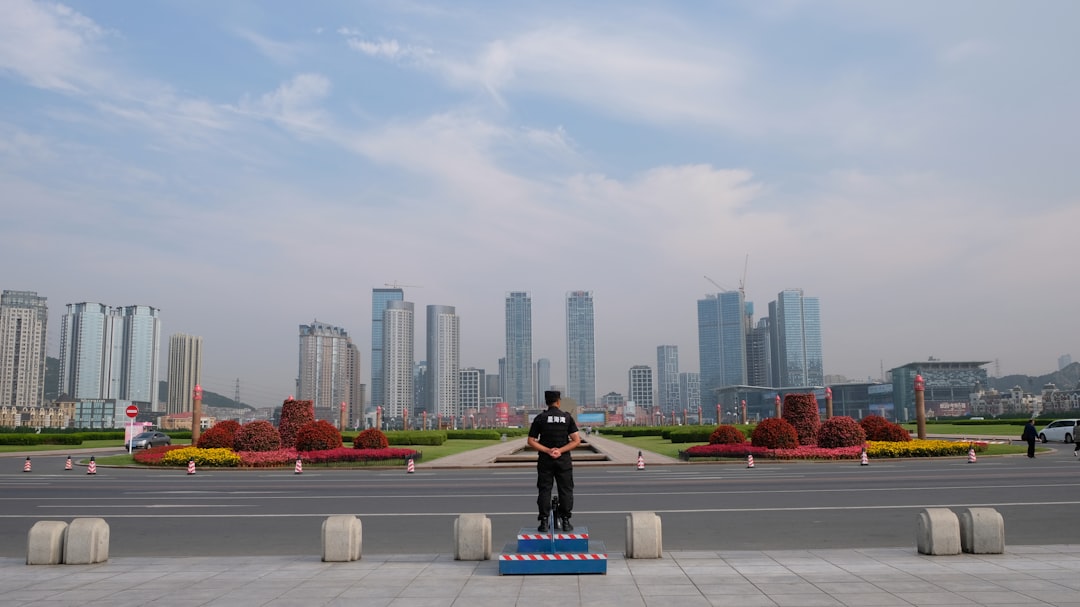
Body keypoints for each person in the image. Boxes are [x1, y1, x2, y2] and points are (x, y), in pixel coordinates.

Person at [527, 390, 581, 533]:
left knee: (545, 490)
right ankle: (566, 521)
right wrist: (560, 451)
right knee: (566, 490)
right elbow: (576, 440)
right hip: (563, 460)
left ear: (546, 402)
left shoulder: (540, 418)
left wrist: (548, 450)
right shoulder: (566, 418)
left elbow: (531, 441)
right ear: (558, 401)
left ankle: (544, 522)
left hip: (545, 460)